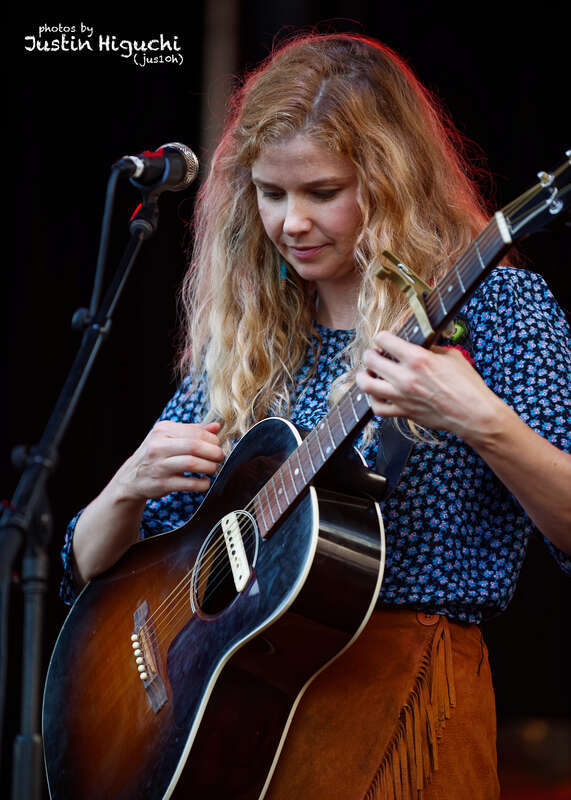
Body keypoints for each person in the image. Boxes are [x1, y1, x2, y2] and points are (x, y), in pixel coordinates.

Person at [60, 32, 570, 799]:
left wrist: (481, 420)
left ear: (389, 179)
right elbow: (97, 570)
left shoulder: (499, 311)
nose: (291, 222)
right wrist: (125, 489)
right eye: (270, 193)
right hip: (234, 711)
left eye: (321, 192)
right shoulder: (253, 337)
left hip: (404, 705)